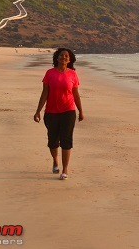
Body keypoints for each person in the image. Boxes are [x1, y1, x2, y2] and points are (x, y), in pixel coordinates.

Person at [33, 48, 84, 180]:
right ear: (57, 58)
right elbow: (44, 93)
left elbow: (76, 94)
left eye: (66, 56)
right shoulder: (49, 73)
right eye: (61, 55)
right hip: (51, 112)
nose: (64, 58)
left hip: (68, 111)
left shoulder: (73, 74)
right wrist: (38, 111)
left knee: (66, 140)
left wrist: (81, 110)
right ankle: (55, 160)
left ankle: (65, 168)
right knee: (52, 141)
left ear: (70, 59)